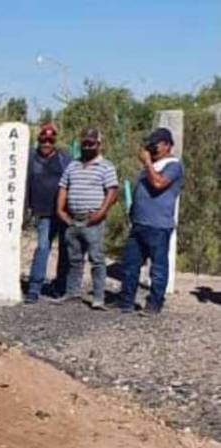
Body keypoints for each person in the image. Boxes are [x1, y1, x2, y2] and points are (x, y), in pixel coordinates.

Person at [118, 127, 184, 315]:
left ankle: (154, 304)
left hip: (158, 225)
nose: (150, 148)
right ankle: (126, 301)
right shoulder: (150, 166)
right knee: (130, 265)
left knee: (157, 268)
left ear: (167, 145)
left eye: (155, 144)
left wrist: (147, 163)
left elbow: (158, 184)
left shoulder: (173, 165)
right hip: (139, 223)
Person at [54, 127, 119, 310]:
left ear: (99, 144)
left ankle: (98, 298)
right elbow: (63, 187)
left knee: (96, 259)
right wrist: (60, 210)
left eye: (91, 143)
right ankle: (72, 293)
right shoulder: (72, 165)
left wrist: (101, 213)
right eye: (85, 143)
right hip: (72, 219)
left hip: (93, 221)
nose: (87, 146)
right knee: (74, 259)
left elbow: (112, 192)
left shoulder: (106, 166)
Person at [24, 122, 72, 303]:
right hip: (43, 212)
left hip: (65, 211)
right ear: (38, 139)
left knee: (65, 249)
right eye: (43, 139)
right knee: (43, 247)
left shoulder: (64, 158)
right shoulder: (30, 157)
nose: (47, 143)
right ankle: (34, 287)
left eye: (51, 139)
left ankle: (61, 286)